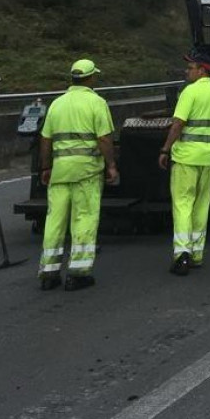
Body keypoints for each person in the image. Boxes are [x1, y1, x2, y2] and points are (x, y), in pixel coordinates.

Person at [37, 59, 118, 291]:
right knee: (84, 218)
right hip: (87, 172)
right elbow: (103, 139)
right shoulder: (96, 102)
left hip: (60, 171)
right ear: (91, 78)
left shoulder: (57, 104)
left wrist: (45, 167)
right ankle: (78, 272)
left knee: (54, 221)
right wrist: (111, 165)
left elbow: (46, 139)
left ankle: (49, 273)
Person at [159, 51, 210, 276]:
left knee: (183, 204)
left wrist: (165, 148)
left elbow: (178, 124)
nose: (187, 71)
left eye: (190, 67)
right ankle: (197, 254)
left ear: (202, 70)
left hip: (186, 158)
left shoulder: (189, 92)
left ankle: (182, 254)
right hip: (209, 158)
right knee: (201, 206)